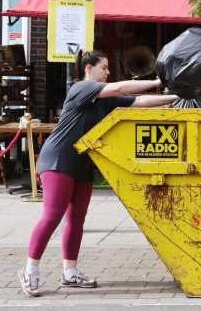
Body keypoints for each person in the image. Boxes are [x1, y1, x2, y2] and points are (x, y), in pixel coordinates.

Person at [17, 50, 178, 297]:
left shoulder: (104, 98)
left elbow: (138, 102)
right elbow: (118, 88)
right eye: (104, 67)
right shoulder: (81, 88)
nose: (108, 72)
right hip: (58, 159)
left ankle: (70, 272)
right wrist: (158, 82)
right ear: (88, 68)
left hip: (81, 163)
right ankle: (30, 270)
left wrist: (176, 97)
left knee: (77, 220)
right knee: (52, 216)